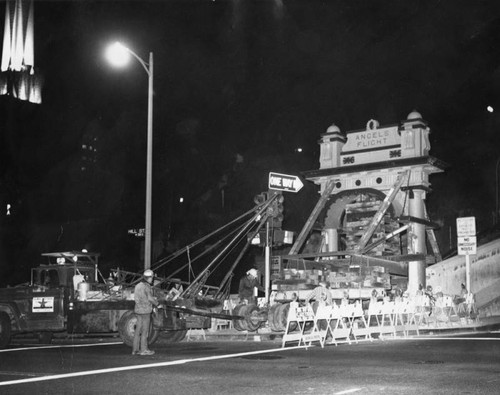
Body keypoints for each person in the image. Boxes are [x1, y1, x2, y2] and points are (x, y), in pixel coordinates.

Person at [132, 269, 159, 356]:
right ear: (149, 278)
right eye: (152, 278)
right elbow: (150, 299)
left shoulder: (137, 286)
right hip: (145, 311)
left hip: (138, 310)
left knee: (137, 330)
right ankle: (144, 350)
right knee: (145, 331)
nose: (152, 279)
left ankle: (135, 350)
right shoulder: (146, 286)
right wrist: (157, 303)